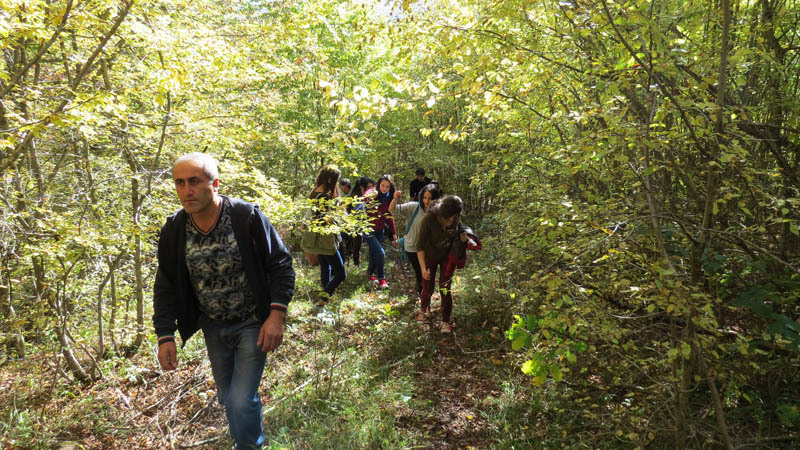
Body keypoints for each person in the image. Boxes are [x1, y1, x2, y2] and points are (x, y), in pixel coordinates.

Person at [153, 152, 295, 449]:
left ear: (214, 183)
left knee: (241, 399)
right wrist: (165, 334)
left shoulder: (245, 217)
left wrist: (276, 315)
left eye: (194, 181)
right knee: (228, 397)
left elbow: (281, 264)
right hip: (213, 326)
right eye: (179, 183)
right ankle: (245, 442)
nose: (186, 190)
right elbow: (165, 284)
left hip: (252, 322)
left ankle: (250, 446)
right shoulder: (174, 230)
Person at [416, 195, 466, 333]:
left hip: (447, 257)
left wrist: (463, 239)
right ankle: (424, 310)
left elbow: (458, 236)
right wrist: (423, 268)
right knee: (427, 287)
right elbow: (419, 246)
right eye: (446, 219)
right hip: (430, 256)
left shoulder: (456, 217)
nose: (449, 222)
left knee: (445, 287)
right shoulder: (429, 218)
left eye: (452, 219)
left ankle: (445, 320)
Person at [395, 183, 443, 295]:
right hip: (413, 247)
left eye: (430, 198)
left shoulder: (438, 212)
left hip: (429, 249)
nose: (426, 201)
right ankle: (422, 293)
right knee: (420, 271)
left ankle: (424, 293)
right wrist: (394, 198)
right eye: (425, 198)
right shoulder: (414, 207)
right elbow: (393, 210)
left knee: (426, 272)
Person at [310, 165, 347, 307]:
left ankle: (325, 298)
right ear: (331, 179)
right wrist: (338, 211)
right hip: (326, 237)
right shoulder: (324, 196)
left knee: (326, 268)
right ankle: (323, 299)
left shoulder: (314, 191)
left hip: (317, 236)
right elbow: (326, 219)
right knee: (341, 273)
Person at [363, 174, 401, 289]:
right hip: (368, 229)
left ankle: (371, 275)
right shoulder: (372, 192)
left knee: (374, 253)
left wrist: (393, 232)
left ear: (390, 188)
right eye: (382, 185)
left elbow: (389, 216)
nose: (384, 188)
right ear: (379, 184)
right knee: (380, 252)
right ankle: (381, 279)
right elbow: (362, 200)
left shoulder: (389, 198)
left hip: (380, 230)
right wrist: (370, 197)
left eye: (387, 187)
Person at [349, 176, 374, 267]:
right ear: (362, 187)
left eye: (371, 187)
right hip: (355, 223)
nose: (370, 190)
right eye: (368, 187)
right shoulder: (355, 197)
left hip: (365, 222)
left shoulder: (369, 196)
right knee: (357, 243)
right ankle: (356, 263)